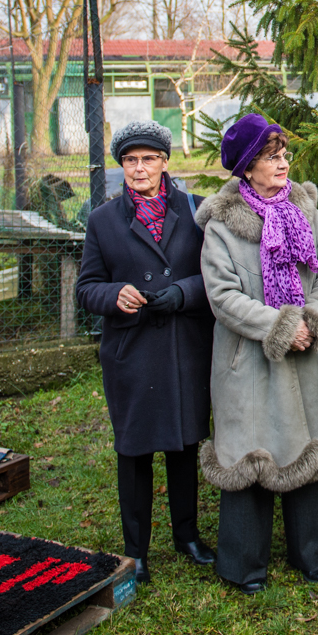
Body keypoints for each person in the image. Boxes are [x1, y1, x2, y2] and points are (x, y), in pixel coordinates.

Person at [195, 112, 318, 593]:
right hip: (249, 360)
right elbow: (222, 296)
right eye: (270, 156)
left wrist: (312, 318)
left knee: (311, 444)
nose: (283, 162)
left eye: (284, 154)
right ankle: (244, 564)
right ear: (246, 167)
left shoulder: (309, 213)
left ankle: (316, 555)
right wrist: (280, 324)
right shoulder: (221, 226)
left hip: (306, 358)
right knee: (250, 453)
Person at [76, 119, 216, 583]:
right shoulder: (102, 221)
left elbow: (216, 274)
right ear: (121, 167)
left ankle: (187, 536)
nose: (139, 168)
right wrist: (113, 294)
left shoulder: (195, 210)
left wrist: (185, 293)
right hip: (131, 352)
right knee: (134, 453)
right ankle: (136, 552)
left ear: (165, 162)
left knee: (183, 444)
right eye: (130, 161)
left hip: (184, 349)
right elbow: (87, 288)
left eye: (148, 159)